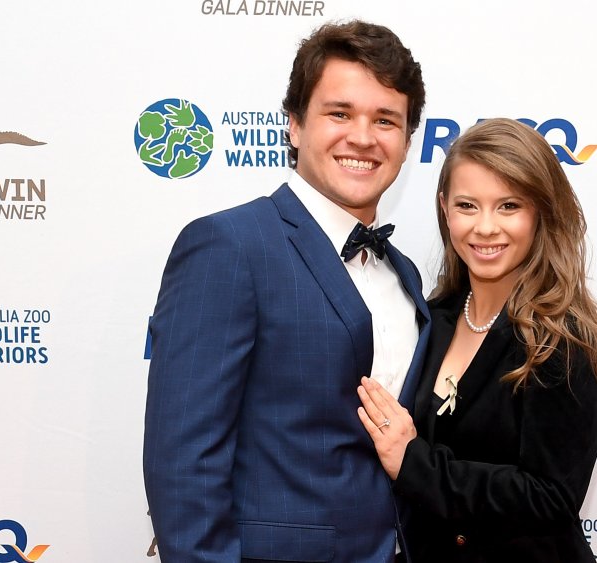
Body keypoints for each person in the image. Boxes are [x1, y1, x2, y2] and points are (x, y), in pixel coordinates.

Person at [144, 20, 429, 563]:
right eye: (339, 113)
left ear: (408, 141)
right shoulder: (229, 246)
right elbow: (183, 465)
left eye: (385, 120)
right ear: (295, 125)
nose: (363, 137)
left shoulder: (404, 274)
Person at [356, 118, 597, 562]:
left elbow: (551, 499)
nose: (485, 227)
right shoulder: (431, 318)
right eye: (467, 205)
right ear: (444, 208)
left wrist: (413, 463)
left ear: (540, 212)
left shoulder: (559, 342)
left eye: (509, 206)